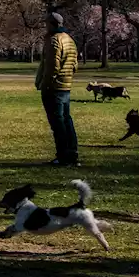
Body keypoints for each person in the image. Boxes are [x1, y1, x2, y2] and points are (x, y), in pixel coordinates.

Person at [35, 11, 80, 166]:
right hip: (66, 87)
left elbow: (52, 65)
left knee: (58, 124)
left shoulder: (54, 40)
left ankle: (62, 156)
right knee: (67, 121)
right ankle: (72, 153)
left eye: (46, 23)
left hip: (54, 88)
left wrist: (45, 84)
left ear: (51, 24)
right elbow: (75, 65)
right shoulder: (70, 40)